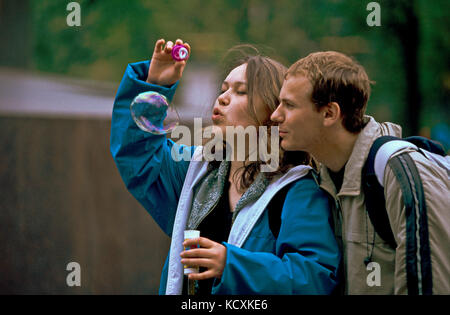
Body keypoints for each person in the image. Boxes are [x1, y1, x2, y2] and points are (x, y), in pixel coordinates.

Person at [110, 39, 340, 295]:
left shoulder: (297, 190)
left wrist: (231, 265)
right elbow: (138, 156)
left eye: (241, 91)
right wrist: (155, 85)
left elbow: (315, 279)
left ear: (274, 109)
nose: (223, 98)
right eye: (224, 88)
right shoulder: (196, 170)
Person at [271, 50, 450, 294]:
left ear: (329, 113)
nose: (275, 115)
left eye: (289, 105)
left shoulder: (398, 171)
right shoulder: (321, 179)